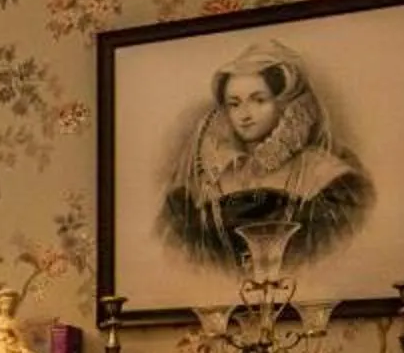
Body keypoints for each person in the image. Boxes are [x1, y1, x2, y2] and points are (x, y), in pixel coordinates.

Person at [159, 40, 373, 271]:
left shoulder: (326, 176)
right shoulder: (201, 185)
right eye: (234, 104)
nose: (244, 115)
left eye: (259, 100)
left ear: (284, 104)